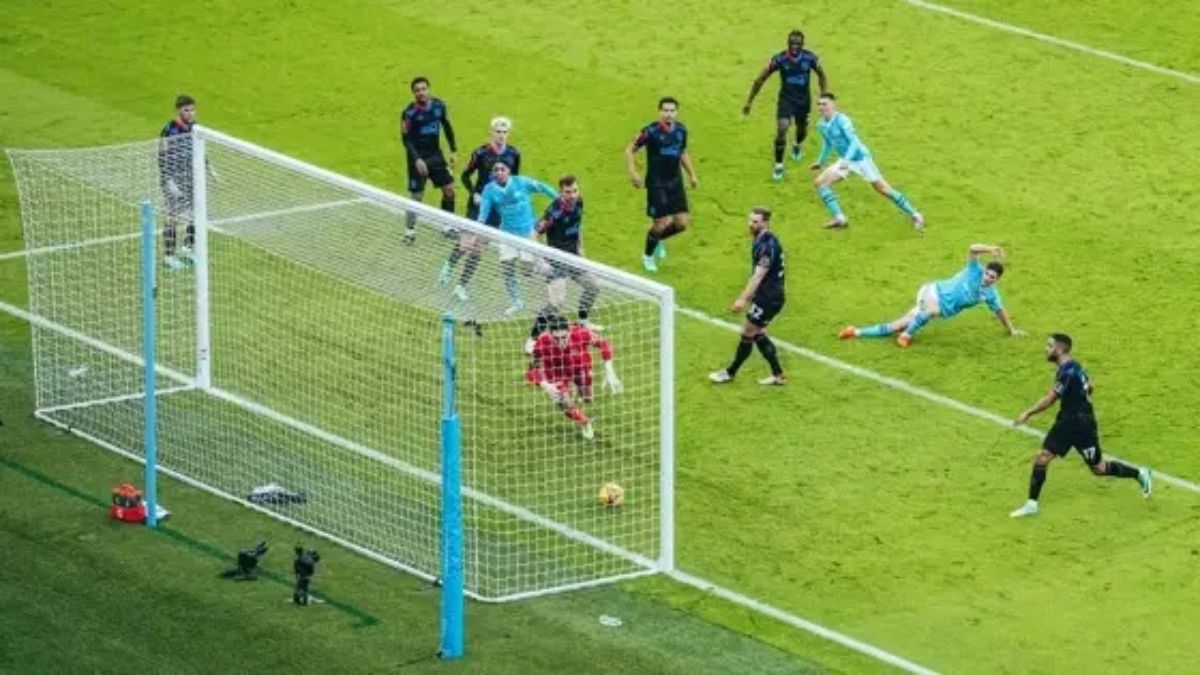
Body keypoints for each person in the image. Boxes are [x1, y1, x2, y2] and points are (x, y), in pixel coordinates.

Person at [1010, 333, 1152, 518]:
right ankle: (1032, 505)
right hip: (1072, 420)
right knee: (1043, 457)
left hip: (1080, 423)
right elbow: (1090, 386)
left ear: (1059, 349)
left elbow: (1050, 399)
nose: (1045, 349)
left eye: (1049, 345)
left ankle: (1140, 473)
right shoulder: (1074, 367)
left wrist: (1028, 413)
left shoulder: (1067, 372)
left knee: (1098, 468)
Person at [838, 244, 1024, 348]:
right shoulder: (974, 269)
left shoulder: (991, 295)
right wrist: (990, 249)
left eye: (992, 278)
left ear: (997, 280)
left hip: (939, 308)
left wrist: (1011, 329)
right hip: (932, 292)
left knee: (894, 326)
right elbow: (972, 249)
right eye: (987, 274)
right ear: (984, 271)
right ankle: (906, 336)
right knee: (932, 310)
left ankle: (855, 331)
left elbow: (1000, 311)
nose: (988, 278)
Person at [810, 93, 923, 231]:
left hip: (860, 159)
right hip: (846, 160)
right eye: (819, 104)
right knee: (820, 182)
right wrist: (820, 161)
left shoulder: (842, 120)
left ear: (833, 105)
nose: (821, 107)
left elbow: (854, 142)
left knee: (884, 189)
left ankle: (915, 215)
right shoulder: (822, 124)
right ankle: (839, 218)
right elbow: (827, 144)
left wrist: (846, 160)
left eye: (825, 104)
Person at [439, 117, 521, 298]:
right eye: (498, 131)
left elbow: (513, 181)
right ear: (492, 132)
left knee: (479, 250)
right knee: (466, 243)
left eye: (504, 131)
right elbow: (465, 176)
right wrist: (474, 193)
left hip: (496, 209)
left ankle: (461, 286)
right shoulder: (481, 153)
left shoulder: (514, 154)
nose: (501, 135)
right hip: (478, 205)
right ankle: (448, 266)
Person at [708, 207, 787, 385]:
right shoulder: (763, 239)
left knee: (747, 332)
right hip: (767, 295)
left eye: (755, 222)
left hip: (769, 298)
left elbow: (759, 275)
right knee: (757, 332)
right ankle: (778, 375)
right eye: (750, 220)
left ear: (765, 223)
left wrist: (742, 299)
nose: (750, 225)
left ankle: (730, 373)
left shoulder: (767, 246)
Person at [741, 29, 829, 181]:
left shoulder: (810, 58)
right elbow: (760, 79)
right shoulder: (779, 60)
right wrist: (749, 101)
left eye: (798, 44)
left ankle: (796, 145)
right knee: (782, 128)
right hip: (786, 100)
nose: (794, 47)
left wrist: (824, 96)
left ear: (803, 45)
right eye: (792, 44)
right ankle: (779, 165)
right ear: (787, 44)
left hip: (803, 101)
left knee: (802, 130)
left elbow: (822, 75)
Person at [624, 97, 699, 273]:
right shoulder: (650, 131)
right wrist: (633, 172)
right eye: (665, 110)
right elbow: (630, 149)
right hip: (657, 183)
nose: (669, 114)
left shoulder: (681, 131)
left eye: (672, 110)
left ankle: (656, 240)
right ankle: (647, 256)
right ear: (659, 112)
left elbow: (682, 153)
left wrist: (692, 175)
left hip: (675, 182)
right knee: (661, 223)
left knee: (681, 224)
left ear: (677, 112)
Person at [475, 160, 558, 315]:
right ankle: (517, 302)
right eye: (496, 170)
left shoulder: (521, 182)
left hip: (527, 234)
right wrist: (476, 233)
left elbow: (542, 187)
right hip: (506, 234)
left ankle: (548, 276)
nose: (499, 172)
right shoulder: (489, 190)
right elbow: (483, 213)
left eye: (502, 169)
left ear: (509, 171)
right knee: (507, 269)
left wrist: (559, 201)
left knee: (527, 271)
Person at [527, 175, 600, 349]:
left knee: (594, 286)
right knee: (556, 303)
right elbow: (533, 234)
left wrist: (581, 249)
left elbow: (578, 225)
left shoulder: (579, 202)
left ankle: (583, 321)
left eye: (575, 191)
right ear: (561, 192)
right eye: (568, 192)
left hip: (573, 257)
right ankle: (533, 338)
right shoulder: (554, 212)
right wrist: (541, 261)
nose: (572, 195)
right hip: (556, 261)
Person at [526, 315, 622, 440]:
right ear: (550, 334)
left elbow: (603, 343)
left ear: (569, 331)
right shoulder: (542, 342)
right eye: (556, 338)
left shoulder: (581, 333)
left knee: (588, 398)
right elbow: (532, 370)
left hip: (580, 366)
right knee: (564, 402)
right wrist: (546, 385)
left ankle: (577, 393)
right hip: (556, 374)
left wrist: (609, 369)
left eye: (564, 337)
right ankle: (584, 422)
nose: (560, 342)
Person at [400, 76, 457, 243]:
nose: (421, 93)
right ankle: (409, 231)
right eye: (417, 90)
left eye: (424, 89)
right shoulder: (409, 113)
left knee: (449, 190)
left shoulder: (439, 106)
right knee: (417, 196)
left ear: (428, 89)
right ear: (413, 93)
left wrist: (453, 150)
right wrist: (417, 159)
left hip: (435, 156)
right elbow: (406, 140)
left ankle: (447, 225)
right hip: (416, 158)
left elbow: (446, 126)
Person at [158, 94, 197, 270]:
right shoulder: (169, 130)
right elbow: (162, 157)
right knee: (172, 216)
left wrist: (209, 168)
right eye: (186, 110)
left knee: (195, 213)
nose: (190, 113)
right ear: (178, 111)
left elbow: (199, 150)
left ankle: (188, 248)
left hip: (189, 176)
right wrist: (169, 181)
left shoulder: (195, 128)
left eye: (192, 109)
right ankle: (169, 256)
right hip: (172, 179)